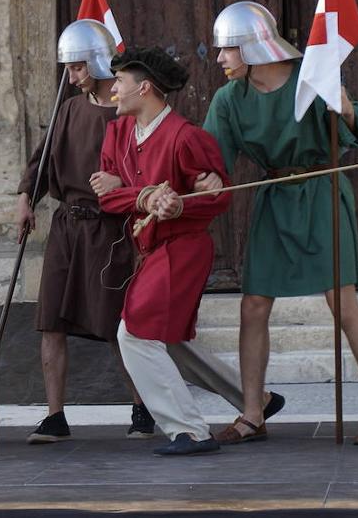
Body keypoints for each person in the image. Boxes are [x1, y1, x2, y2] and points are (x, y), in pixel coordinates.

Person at [200, 1, 358, 446]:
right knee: (253, 305)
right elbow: (210, 156)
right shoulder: (228, 99)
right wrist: (208, 176)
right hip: (274, 199)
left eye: (227, 50)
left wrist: (344, 105)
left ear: (253, 47)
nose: (219, 59)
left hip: (321, 195)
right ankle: (252, 413)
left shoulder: (311, 81)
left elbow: (356, 127)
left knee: (342, 305)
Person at [15, 20, 153, 444]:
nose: (71, 77)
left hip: (109, 228)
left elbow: (146, 168)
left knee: (117, 325)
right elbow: (44, 159)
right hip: (66, 227)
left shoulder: (126, 111)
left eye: (76, 68)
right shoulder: (69, 108)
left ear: (96, 61)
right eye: (68, 69)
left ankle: (143, 408)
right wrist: (26, 196)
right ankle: (55, 415)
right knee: (50, 321)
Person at [90, 46, 232, 456]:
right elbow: (105, 197)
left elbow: (218, 197)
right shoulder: (116, 134)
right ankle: (252, 400)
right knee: (162, 337)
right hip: (149, 250)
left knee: (134, 332)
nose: (113, 90)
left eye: (120, 82)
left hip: (182, 248)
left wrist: (187, 199)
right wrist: (146, 196)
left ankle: (189, 430)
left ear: (145, 87)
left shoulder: (187, 137)